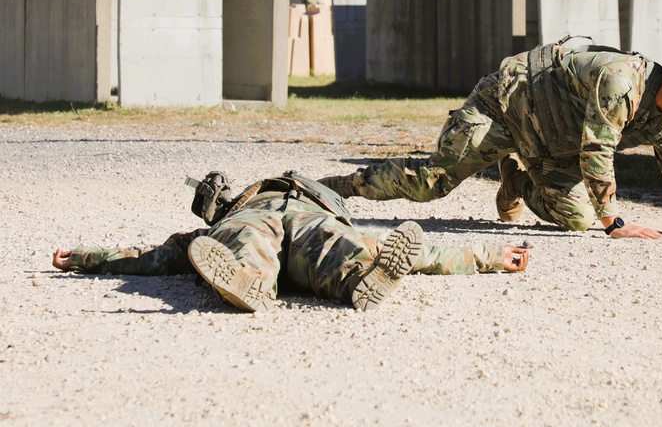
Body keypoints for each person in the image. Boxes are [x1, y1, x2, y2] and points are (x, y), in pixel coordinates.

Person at [321, 37, 662, 240]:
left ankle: (516, 182)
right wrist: (616, 223)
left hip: (550, 144)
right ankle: (334, 187)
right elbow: (598, 150)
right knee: (432, 183)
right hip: (506, 107)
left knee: (578, 219)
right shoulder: (621, 82)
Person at [52, 170, 529, 313]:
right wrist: (84, 258)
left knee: (343, 243)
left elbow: (149, 259)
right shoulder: (229, 220)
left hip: (309, 220)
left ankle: (359, 279)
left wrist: (488, 256)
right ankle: (251, 283)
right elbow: (150, 257)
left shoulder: (241, 214)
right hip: (273, 222)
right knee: (330, 242)